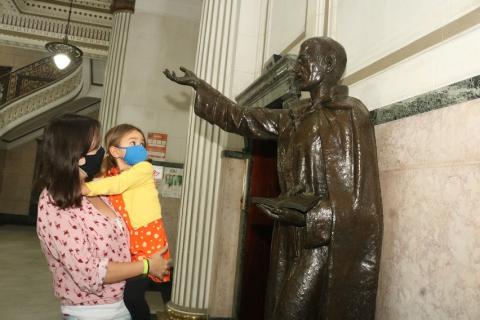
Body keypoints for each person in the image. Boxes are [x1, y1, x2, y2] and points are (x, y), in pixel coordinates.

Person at [164, 36, 383, 320]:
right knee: (278, 307)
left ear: (328, 64)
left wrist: (311, 216)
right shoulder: (294, 115)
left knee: (291, 311)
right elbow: (242, 118)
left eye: (305, 59)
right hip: (288, 235)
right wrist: (202, 88)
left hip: (322, 240)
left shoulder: (350, 114)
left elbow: (359, 201)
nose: (297, 68)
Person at [36, 114, 171, 320]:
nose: (102, 151)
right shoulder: (55, 201)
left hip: (122, 306)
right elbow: (88, 274)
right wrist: (147, 265)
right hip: (93, 313)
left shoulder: (97, 191)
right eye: (96, 146)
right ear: (77, 155)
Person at [81, 124, 171, 320]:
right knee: (129, 294)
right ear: (115, 151)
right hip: (127, 241)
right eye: (133, 142)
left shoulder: (144, 169)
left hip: (146, 236)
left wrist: (85, 188)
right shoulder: (111, 174)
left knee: (134, 295)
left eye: (142, 143)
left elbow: (117, 185)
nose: (140, 147)